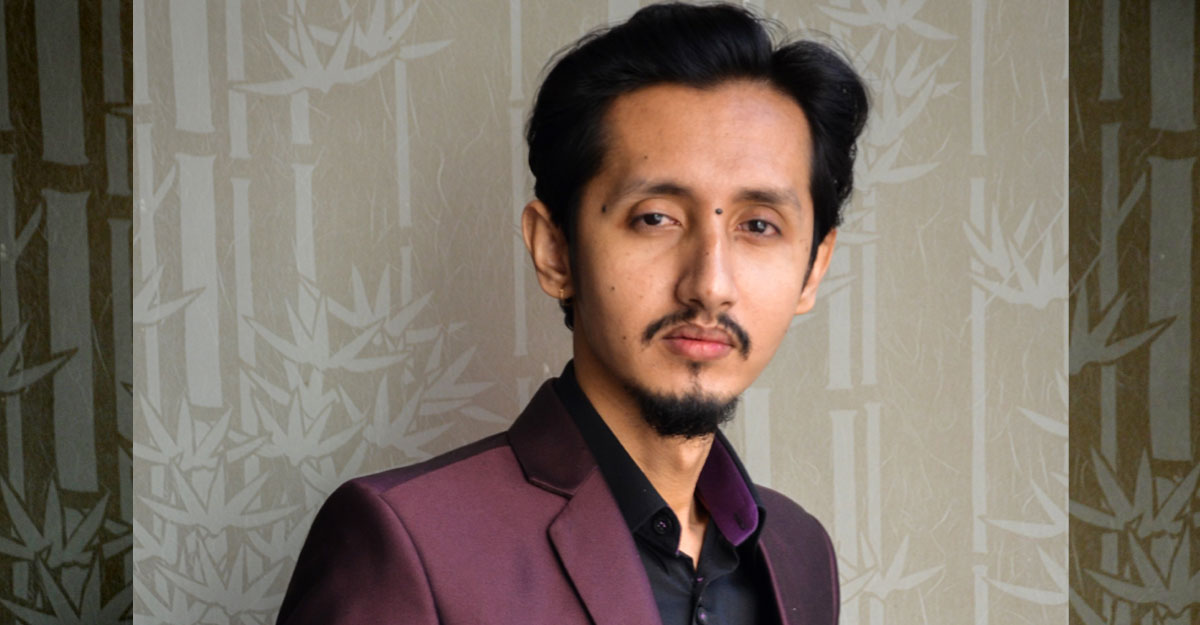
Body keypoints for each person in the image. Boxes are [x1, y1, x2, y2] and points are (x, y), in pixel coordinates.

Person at [276, 3, 868, 624]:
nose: (710, 286)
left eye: (759, 226)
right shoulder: (408, 541)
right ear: (554, 250)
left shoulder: (800, 551)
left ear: (813, 268)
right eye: (656, 218)